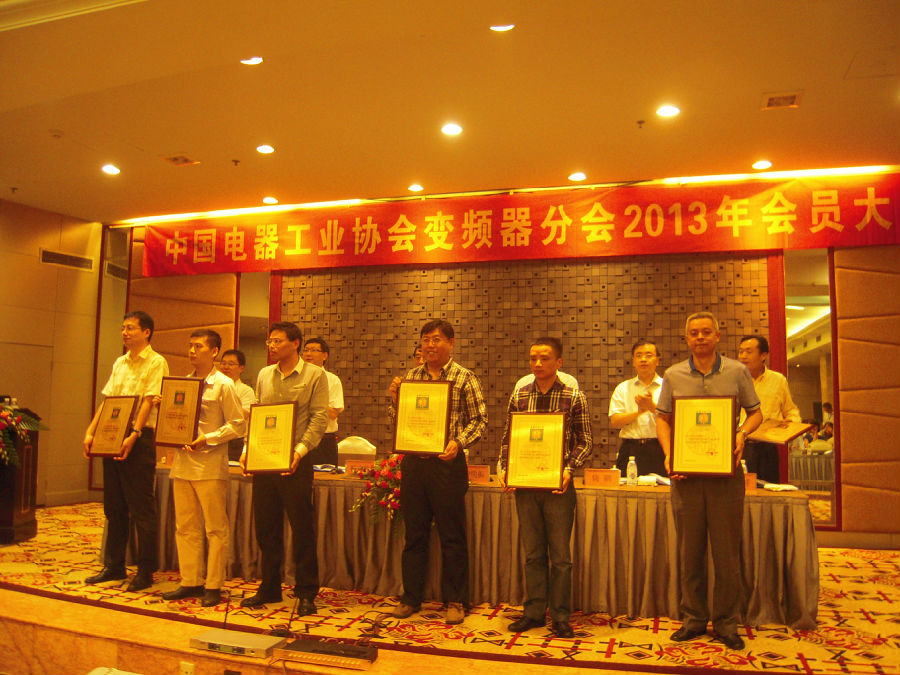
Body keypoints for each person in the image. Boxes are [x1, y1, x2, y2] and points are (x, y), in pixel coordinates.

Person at [656, 311, 762, 651]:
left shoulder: (737, 371)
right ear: (686, 338)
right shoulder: (673, 375)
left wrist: (742, 433)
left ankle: (727, 622)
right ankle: (694, 619)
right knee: (690, 553)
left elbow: (756, 413)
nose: (699, 337)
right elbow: (662, 419)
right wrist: (669, 454)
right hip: (685, 475)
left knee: (727, 555)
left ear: (717, 335)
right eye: (693, 333)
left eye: (705, 332)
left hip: (725, 475)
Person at [388, 319, 487, 625]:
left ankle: (455, 600)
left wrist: (459, 442)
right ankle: (411, 597)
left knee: (452, 536)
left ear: (451, 343)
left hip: (447, 464)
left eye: (436, 339)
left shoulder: (464, 377)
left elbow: (480, 420)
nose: (429, 345)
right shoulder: (411, 377)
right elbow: (399, 420)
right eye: (425, 339)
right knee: (414, 535)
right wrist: (396, 401)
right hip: (414, 464)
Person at [498, 337, 591, 639]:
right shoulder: (520, 394)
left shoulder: (573, 395)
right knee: (533, 554)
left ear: (559, 362)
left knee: (561, 557)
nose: (537, 364)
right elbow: (508, 438)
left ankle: (561, 616)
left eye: (545, 358)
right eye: (533, 358)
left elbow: (585, 441)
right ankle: (534, 612)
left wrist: (568, 469)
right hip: (526, 486)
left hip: (558, 487)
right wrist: (504, 467)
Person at [239, 322, 329, 613]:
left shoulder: (315, 375)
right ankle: (269, 588)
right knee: (266, 528)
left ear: (296, 343)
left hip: (296, 462)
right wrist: (247, 450)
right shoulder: (265, 374)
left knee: (302, 529)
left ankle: (306, 592)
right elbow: (257, 416)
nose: (272, 346)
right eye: (270, 341)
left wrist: (299, 452)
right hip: (265, 461)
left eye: (277, 341)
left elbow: (319, 419)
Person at [82, 311, 168, 591]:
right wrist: (91, 431)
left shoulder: (156, 362)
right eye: (123, 328)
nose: (125, 332)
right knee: (114, 506)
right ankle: (114, 566)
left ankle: (145, 571)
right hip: (112, 435)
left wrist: (134, 434)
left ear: (146, 332)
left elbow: (148, 402)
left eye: (130, 328)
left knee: (142, 508)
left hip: (139, 440)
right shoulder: (120, 362)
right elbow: (108, 401)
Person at [162, 330, 245, 607]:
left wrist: (208, 438)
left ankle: (213, 584)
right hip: (182, 463)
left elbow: (238, 424)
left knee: (215, 528)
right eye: (190, 346)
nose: (192, 351)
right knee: (185, 526)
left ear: (214, 351)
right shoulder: (183, 384)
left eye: (198, 346)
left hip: (209, 465)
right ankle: (190, 581)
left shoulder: (224, 385)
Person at [737, 335, 801, 483]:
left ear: (763, 355)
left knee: (769, 488)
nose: (743, 356)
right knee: (741, 489)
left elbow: (791, 411)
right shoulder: (734, 380)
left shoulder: (778, 380)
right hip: (740, 445)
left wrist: (791, 423)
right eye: (741, 351)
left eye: (748, 351)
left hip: (768, 447)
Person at [609, 339, 667, 476]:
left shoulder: (667, 387)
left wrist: (652, 407)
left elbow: (675, 419)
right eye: (638, 355)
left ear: (657, 361)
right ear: (633, 361)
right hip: (630, 450)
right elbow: (615, 421)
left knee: (661, 487)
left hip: (659, 448)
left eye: (648, 355)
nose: (643, 359)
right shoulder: (623, 388)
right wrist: (639, 412)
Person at [301, 338, 344, 466]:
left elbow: (333, 413)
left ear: (324, 356)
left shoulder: (332, 380)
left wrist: (311, 399)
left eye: (314, 350)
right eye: (306, 350)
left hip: (324, 440)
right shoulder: (297, 379)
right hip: (300, 439)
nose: (308, 354)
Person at [218, 349, 256, 462]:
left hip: (235, 442)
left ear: (241, 368)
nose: (226, 367)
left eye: (231, 364)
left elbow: (241, 416)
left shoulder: (246, 391)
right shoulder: (214, 387)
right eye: (223, 363)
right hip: (214, 438)